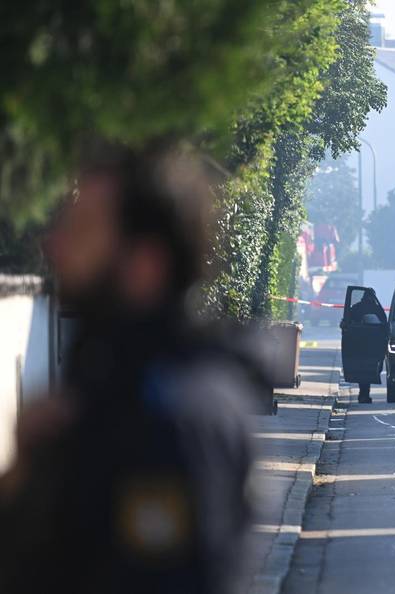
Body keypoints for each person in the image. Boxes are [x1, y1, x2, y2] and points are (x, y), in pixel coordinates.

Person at [0, 145, 259, 594]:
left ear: (145, 265)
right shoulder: (108, 382)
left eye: (80, 230)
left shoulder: (173, 417)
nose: (53, 244)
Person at [348, 291, 386, 403]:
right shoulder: (377, 309)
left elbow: (346, 323)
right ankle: (364, 394)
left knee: (362, 370)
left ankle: (363, 394)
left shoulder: (355, 308)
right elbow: (384, 325)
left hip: (359, 344)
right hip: (373, 345)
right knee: (371, 370)